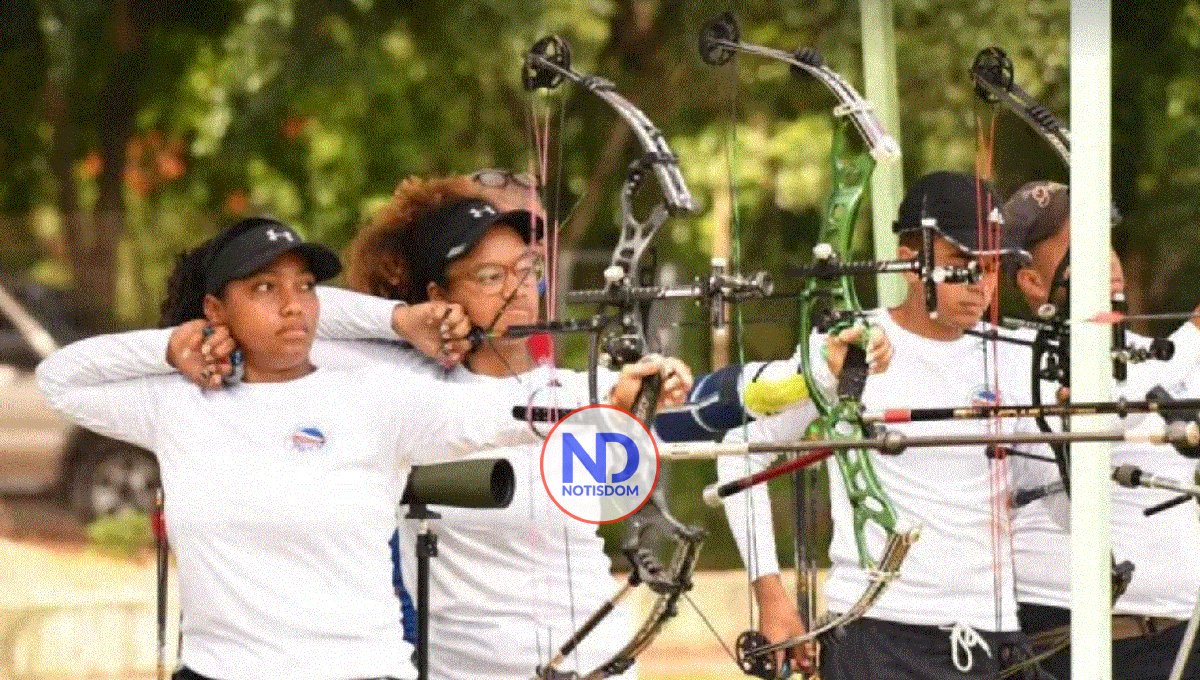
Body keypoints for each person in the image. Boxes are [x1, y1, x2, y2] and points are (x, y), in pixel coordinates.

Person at [36, 215, 666, 680]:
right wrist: (171, 346)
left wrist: (609, 394)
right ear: (214, 310)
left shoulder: (372, 394)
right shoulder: (177, 403)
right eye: (264, 289)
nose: (294, 307)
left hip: (358, 669)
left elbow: (500, 411)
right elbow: (60, 378)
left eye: (305, 285)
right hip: (218, 670)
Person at [717, 171, 1052, 679]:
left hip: (994, 631)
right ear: (910, 261)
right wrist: (772, 596)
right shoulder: (849, 348)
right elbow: (741, 451)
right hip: (877, 633)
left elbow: (1047, 485)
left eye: (991, 266)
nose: (980, 284)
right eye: (962, 263)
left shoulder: (1019, 356)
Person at [1003, 180, 1200, 680]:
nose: (1107, 260)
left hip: (1181, 635)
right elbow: (1096, 418)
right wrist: (1196, 336)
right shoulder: (1015, 360)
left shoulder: (1156, 355)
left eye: (1105, 243)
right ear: (1032, 282)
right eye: (1081, 248)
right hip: (1074, 640)